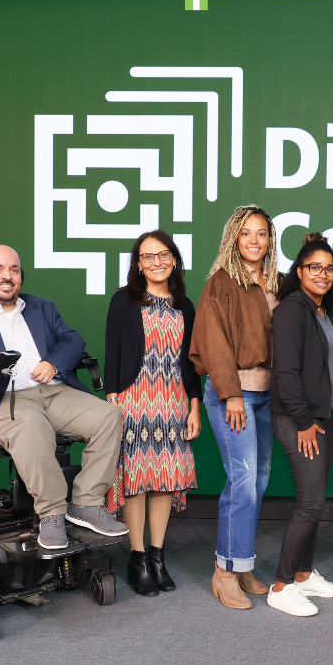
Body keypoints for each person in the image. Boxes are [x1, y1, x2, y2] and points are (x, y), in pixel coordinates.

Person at [0, 244, 128, 551]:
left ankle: (87, 503)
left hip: (53, 391)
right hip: (0, 397)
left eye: (13, 269)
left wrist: (54, 363)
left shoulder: (41, 307)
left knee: (108, 416)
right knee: (31, 425)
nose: (7, 276)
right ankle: (52, 512)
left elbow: (72, 338)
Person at [190, 205, 279, 609]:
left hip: (267, 394)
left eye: (261, 233)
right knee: (242, 479)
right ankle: (224, 572)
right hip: (234, 395)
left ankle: (242, 563)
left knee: (259, 477)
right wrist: (231, 394)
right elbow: (213, 342)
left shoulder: (275, 282)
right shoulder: (222, 282)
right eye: (246, 233)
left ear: (270, 239)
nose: (254, 240)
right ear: (233, 238)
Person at [104, 230, 202, 596]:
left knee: (164, 479)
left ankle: (158, 557)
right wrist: (113, 400)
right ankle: (138, 557)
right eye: (147, 256)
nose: (156, 261)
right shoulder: (124, 301)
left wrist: (194, 406)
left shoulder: (184, 305)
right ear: (138, 264)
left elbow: (193, 363)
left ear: (174, 259)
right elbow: (113, 351)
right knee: (137, 481)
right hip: (134, 400)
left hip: (174, 401)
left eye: (163, 254)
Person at [267, 233, 333, 616]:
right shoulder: (290, 310)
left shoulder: (323, 311)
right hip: (298, 419)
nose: (323, 274)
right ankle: (281, 585)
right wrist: (303, 421)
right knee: (310, 502)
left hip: (323, 415)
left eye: (329, 268)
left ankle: (303, 575)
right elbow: (285, 373)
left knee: (315, 501)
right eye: (314, 267)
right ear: (299, 271)